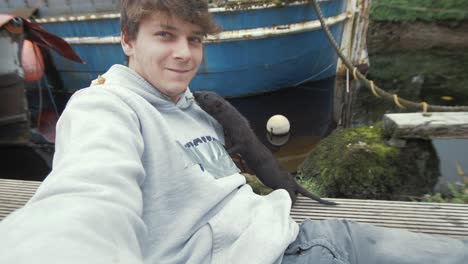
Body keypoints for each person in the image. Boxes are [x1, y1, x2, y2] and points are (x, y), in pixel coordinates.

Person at [0, 1, 467, 263]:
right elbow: (85, 200)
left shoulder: (194, 108)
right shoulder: (105, 108)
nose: (185, 54)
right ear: (127, 40)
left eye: (195, 39)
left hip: (303, 231)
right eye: (165, 35)